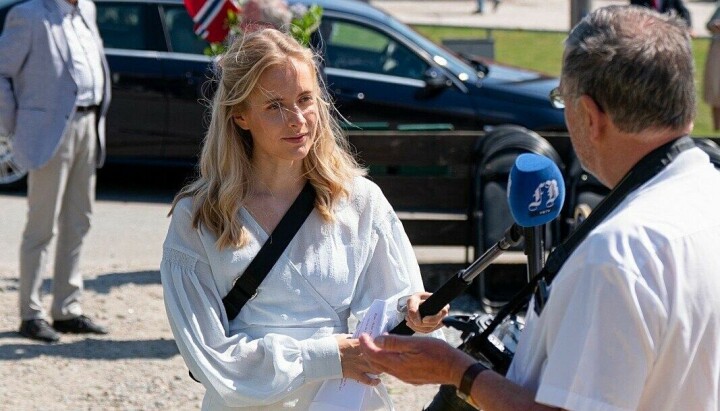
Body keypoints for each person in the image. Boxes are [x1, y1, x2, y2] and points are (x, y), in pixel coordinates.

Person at [359, 5, 720, 411]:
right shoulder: (709, 190)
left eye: (562, 100)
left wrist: (456, 370)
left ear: (590, 115)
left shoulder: (617, 255)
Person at [160, 28, 446, 410]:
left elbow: (391, 313)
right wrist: (326, 356)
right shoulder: (199, 217)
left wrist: (412, 313)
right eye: (275, 105)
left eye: (305, 99)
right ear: (240, 116)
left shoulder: (360, 200)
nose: (297, 120)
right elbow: (210, 358)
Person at [0, 0, 111, 343]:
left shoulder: (87, 11)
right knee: (42, 225)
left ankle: (66, 308)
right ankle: (30, 314)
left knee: (80, 220)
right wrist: (15, 128)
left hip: (88, 125)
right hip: (48, 132)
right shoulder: (29, 14)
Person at [704, 4, 720, 131]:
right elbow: (708, 24)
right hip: (717, 52)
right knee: (716, 92)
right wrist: (714, 25)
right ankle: (717, 130)